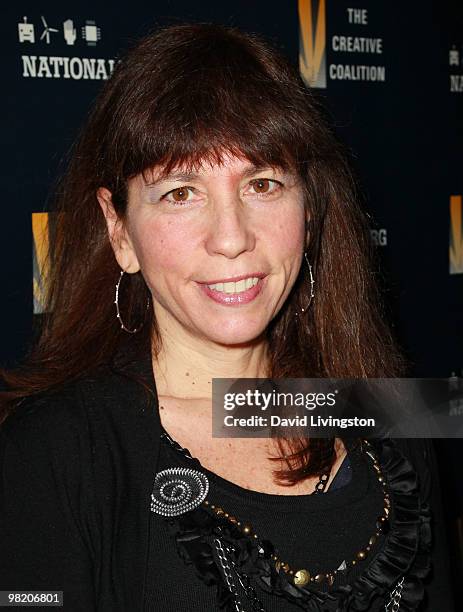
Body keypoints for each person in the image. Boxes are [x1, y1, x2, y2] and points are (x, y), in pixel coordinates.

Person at [0, 22, 456, 612]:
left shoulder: (394, 413)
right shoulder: (53, 452)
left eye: (262, 184)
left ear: (309, 210)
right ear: (119, 231)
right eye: (180, 193)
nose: (232, 238)